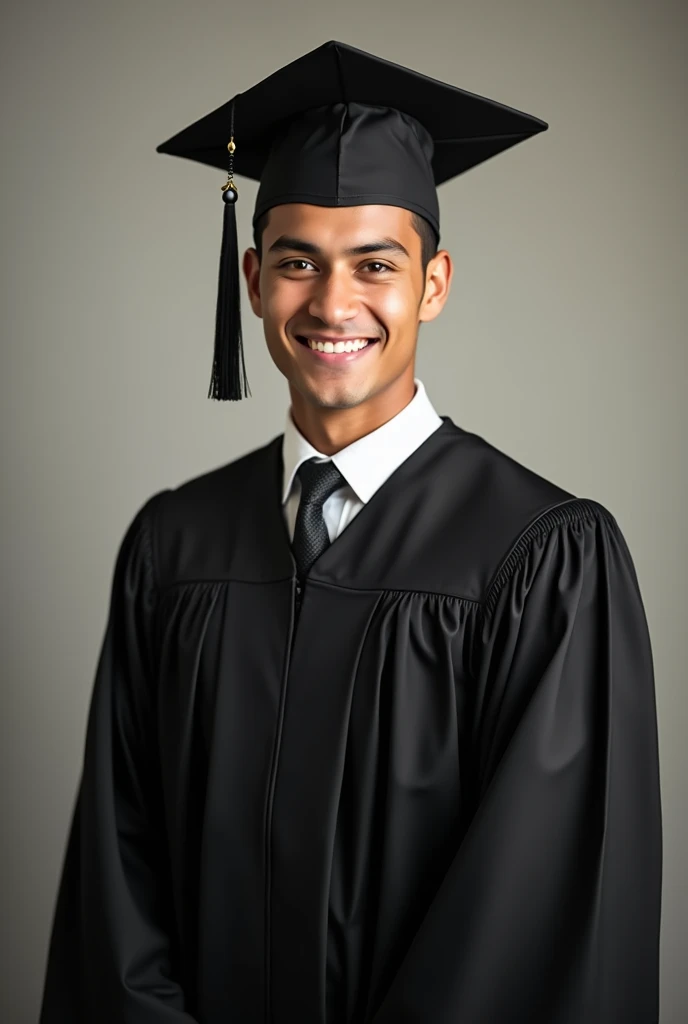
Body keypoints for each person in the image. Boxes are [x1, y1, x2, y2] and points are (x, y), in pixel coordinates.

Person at [39, 39, 662, 1024]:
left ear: (433, 283)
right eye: (297, 263)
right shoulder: (173, 545)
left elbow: (532, 925)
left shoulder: (542, 556)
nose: (333, 303)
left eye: (375, 263)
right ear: (252, 281)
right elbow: (115, 890)